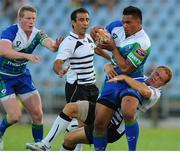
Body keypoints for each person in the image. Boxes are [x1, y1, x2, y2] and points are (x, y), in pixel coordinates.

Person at [25, 65, 172, 151]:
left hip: (112, 127)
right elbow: (113, 67)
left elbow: (144, 91)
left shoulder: (155, 93)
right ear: (153, 71)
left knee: (69, 139)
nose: (155, 77)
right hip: (102, 109)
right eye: (156, 73)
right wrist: (108, 67)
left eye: (160, 78)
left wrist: (125, 78)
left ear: (163, 84)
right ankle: (46, 144)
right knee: (70, 108)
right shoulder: (139, 76)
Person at [0, 5, 62, 150]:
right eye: (28, 18)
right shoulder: (11, 31)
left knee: (37, 114)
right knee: (15, 116)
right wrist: (26, 55)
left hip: (22, 77)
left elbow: (51, 46)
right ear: (20, 18)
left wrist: (56, 45)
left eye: (33, 18)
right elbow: (3, 51)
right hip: (4, 77)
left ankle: (39, 144)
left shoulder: (37, 34)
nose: (31, 21)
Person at [90, 6, 152, 151]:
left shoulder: (143, 43)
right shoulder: (114, 26)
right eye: (123, 21)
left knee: (128, 112)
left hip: (132, 81)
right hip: (112, 79)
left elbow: (126, 69)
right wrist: (94, 32)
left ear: (138, 22)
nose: (124, 25)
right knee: (99, 123)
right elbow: (96, 45)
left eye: (129, 22)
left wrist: (112, 49)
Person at [53, 7, 111, 151]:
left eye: (87, 20)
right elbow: (57, 62)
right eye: (81, 20)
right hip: (77, 87)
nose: (85, 23)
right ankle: (46, 143)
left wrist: (111, 58)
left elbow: (94, 48)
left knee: (84, 125)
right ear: (73, 23)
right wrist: (59, 70)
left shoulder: (88, 37)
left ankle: (63, 143)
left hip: (91, 86)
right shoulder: (69, 42)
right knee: (80, 124)